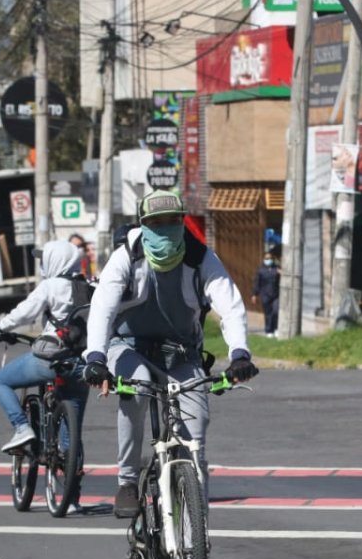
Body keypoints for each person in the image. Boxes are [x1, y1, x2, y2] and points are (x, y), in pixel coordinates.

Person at [82, 190, 259, 519]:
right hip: (128, 346)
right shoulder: (127, 255)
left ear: (182, 223)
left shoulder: (199, 256)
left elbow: (230, 305)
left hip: (180, 353)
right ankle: (128, 481)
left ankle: (196, 527)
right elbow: (102, 309)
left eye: (173, 222)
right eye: (156, 223)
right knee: (137, 386)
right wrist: (95, 358)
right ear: (143, 225)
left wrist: (239, 354)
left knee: (198, 421)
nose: (165, 229)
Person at [0, 240, 92, 455]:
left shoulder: (50, 286)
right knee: (72, 430)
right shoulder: (91, 286)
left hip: (50, 359)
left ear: (54, 261)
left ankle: (22, 428)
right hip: (84, 363)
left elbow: (24, 313)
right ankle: (72, 470)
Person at [252, 251, 281, 337]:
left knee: (276, 311)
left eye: (270, 258)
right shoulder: (261, 270)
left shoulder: (277, 269)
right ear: (264, 259)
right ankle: (269, 330)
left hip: (276, 294)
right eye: (267, 258)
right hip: (265, 295)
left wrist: (281, 273)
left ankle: (276, 328)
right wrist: (254, 294)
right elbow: (257, 283)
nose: (269, 260)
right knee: (268, 313)